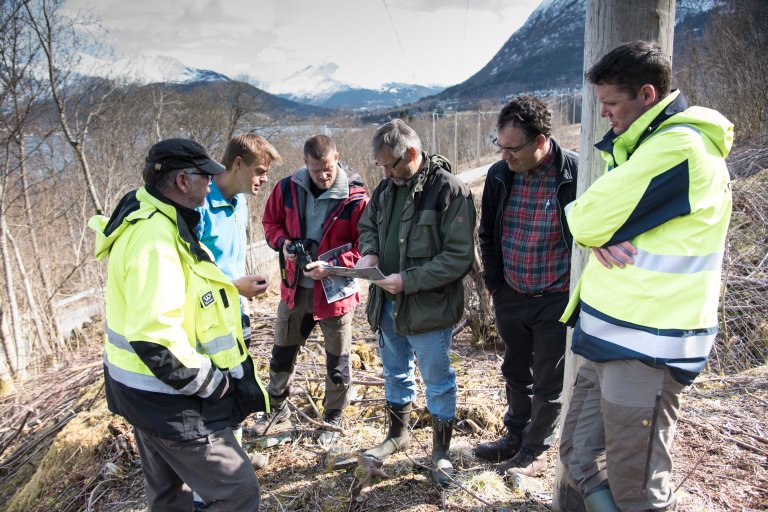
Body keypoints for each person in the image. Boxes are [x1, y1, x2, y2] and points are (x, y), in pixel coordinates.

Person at [558, 41, 733, 511]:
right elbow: (594, 219)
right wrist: (595, 228)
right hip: (613, 337)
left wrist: (593, 229)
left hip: (648, 346)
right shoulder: (645, 147)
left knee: (636, 488)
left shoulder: (680, 149)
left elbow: (588, 218)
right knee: (578, 458)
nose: (604, 115)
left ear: (648, 95)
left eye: (612, 103)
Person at [88, 138, 269, 511]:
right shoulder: (155, 239)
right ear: (182, 182)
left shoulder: (160, 219)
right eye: (205, 177)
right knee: (238, 491)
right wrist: (214, 384)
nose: (210, 184)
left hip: (138, 392)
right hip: (165, 398)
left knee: (171, 495)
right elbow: (155, 339)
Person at [356, 119, 476, 485]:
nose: (386, 173)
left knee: (438, 381)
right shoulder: (386, 188)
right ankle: (397, 435)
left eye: (390, 165)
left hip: (429, 309)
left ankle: (441, 452)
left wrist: (408, 281)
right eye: (381, 167)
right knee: (394, 373)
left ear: (411, 153)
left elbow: (457, 258)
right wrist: (370, 254)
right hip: (387, 304)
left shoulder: (450, 192)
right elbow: (368, 226)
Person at [475, 96, 578, 477]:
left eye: (513, 148)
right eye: (499, 146)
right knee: (516, 371)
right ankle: (514, 436)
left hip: (556, 298)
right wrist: (496, 284)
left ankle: (535, 449)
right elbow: (487, 232)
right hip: (511, 294)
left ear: (541, 141)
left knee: (549, 380)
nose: (505, 155)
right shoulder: (500, 175)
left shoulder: (575, 175)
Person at [260, 135, 369, 447]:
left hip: (335, 294)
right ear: (305, 163)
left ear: (337, 157)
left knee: (338, 361)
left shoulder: (355, 198)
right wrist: (283, 243)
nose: (324, 175)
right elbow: (270, 223)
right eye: (317, 169)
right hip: (295, 290)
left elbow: (366, 246)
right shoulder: (287, 189)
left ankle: (332, 420)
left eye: (329, 167)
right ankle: (277, 412)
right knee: (282, 353)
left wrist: (331, 265)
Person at [194, 133, 281, 486]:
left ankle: (237, 458)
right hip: (207, 318)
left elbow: (229, 259)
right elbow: (189, 272)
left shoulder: (241, 201)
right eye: (259, 171)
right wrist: (232, 286)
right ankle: (213, 473)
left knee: (239, 381)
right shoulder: (198, 203)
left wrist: (244, 288)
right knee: (213, 390)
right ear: (237, 164)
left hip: (235, 310)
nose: (263, 179)